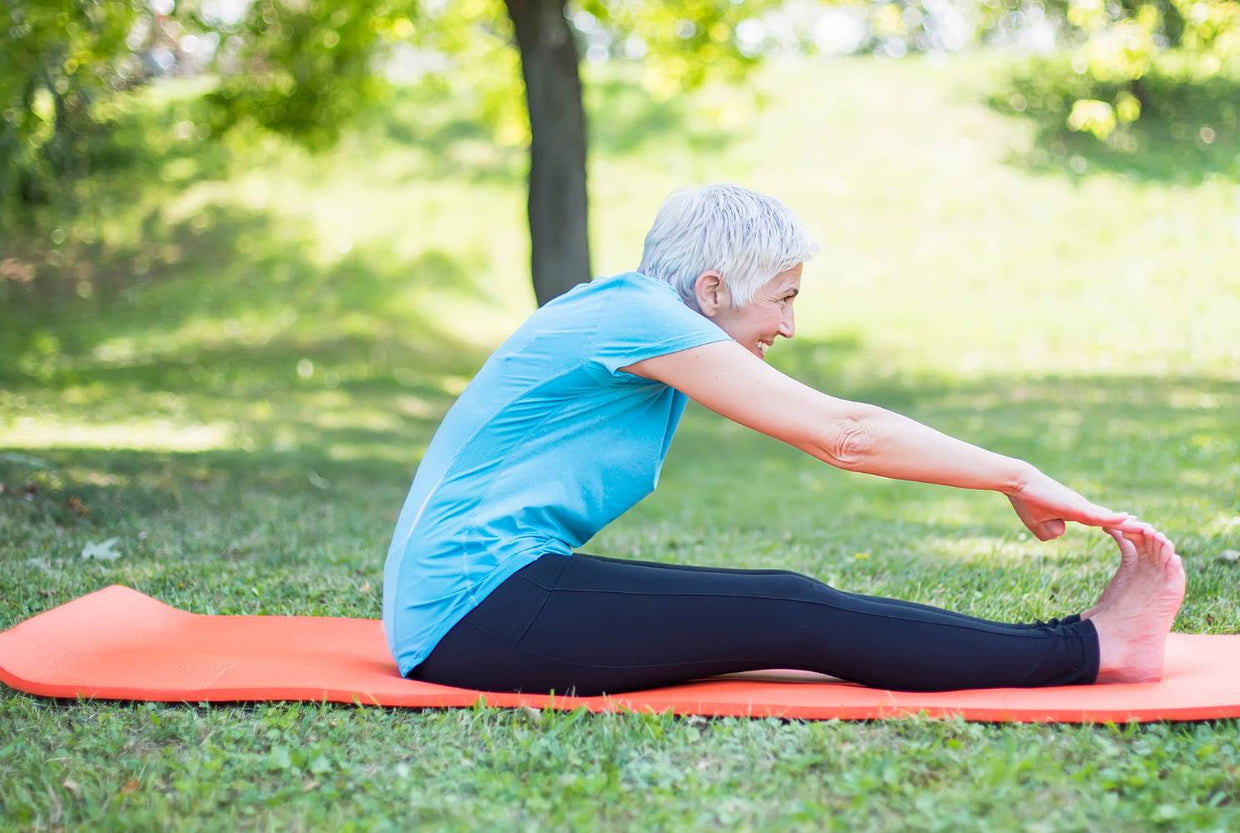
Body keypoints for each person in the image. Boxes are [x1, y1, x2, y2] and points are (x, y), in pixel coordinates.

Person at [383, 184, 1186, 697]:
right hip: (473, 609)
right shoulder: (637, 318)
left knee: (785, 606)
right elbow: (845, 435)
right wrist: (1017, 475)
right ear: (712, 290)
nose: (789, 325)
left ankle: (1089, 643)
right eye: (783, 298)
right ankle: (1090, 648)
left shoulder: (626, 316)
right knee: (791, 607)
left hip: (473, 600)